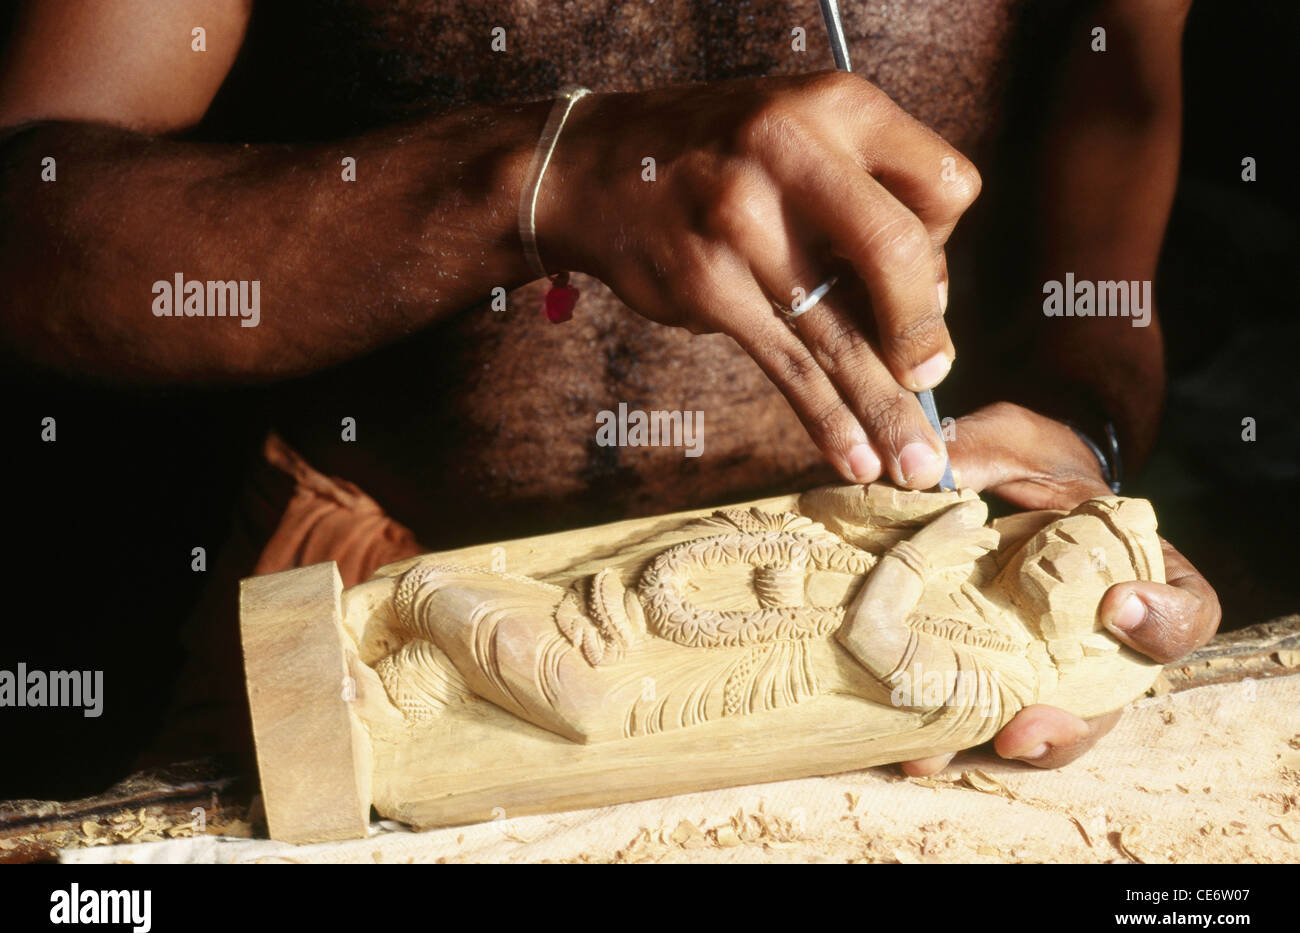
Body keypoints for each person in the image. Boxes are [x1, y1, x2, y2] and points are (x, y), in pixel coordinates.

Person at [0, 0, 1218, 778]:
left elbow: (1106, 256)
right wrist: (528, 175)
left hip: (847, 668)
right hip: (379, 617)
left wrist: (1079, 459)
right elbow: (32, 210)